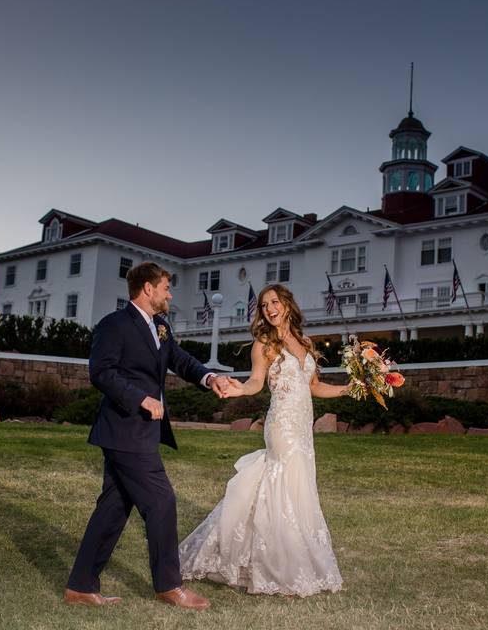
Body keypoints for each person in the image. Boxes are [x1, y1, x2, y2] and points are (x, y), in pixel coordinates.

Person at [64, 261, 230, 611]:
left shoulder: (161, 326)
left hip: (138, 434)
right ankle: (170, 585)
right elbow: (101, 372)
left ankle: (80, 587)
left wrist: (209, 378)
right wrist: (139, 398)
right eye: (166, 287)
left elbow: (181, 361)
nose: (170, 293)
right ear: (147, 289)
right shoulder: (114, 325)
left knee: (113, 509)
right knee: (162, 501)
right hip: (124, 430)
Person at [178, 284, 348, 597]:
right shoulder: (264, 344)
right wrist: (239, 389)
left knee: (301, 486)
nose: (269, 308)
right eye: (264, 304)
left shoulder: (306, 342)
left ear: (287, 303)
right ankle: (278, 566)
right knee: (282, 484)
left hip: (302, 427)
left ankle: (296, 559)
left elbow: (314, 385)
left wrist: (349, 389)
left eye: (274, 302)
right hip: (281, 424)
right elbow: (257, 382)